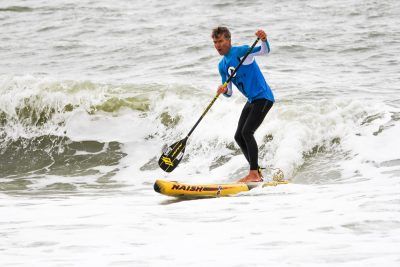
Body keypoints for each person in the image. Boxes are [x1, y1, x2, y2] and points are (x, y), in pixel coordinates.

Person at [212, 26, 275, 183]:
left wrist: (264, 39)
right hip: (252, 100)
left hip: (263, 97)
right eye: (215, 42)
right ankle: (257, 173)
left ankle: (253, 173)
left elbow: (264, 51)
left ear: (228, 40)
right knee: (238, 136)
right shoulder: (222, 65)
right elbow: (229, 93)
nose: (218, 45)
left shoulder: (241, 52)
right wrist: (223, 90)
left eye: (220, 41)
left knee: (247, 132)